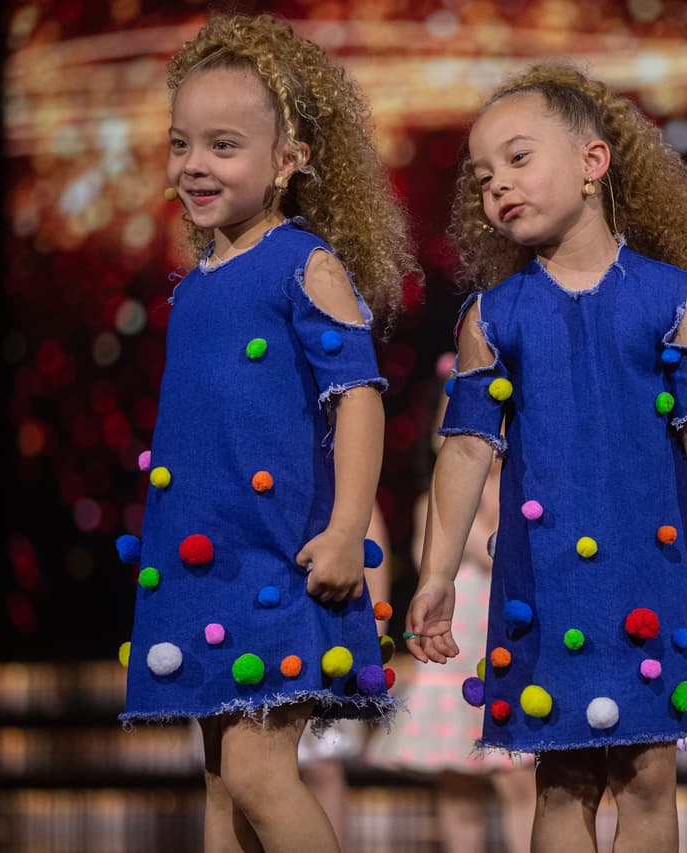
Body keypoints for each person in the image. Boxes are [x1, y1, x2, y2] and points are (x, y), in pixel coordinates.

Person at [404, 62, 687, 853]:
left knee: (647, 774)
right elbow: (465, 450)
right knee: (564, 778)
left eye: (518, 158)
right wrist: (434, 574)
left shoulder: (675, 297)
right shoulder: (492, 318)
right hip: (548, 579)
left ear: (593, 163)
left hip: (653, 570)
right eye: (482, 174)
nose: (497, 183)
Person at [118, 14, 418, 852]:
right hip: (201, 567)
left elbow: (359, 396)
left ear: (288, 161)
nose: (194, 166)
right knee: (222, 790)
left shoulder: (303, 262)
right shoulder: (195, 286)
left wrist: (348, 526)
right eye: (182, 144)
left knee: (256, 775)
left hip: (277, 563)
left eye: (223, 145)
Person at [366, 353, 536, 853]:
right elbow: (458, 552)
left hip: (503, 648)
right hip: (453, 651)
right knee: (456, 783)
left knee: (515, 778)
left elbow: (507, 551)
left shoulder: (518, 488)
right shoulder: (431, 500)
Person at [297, 501, 394, 846]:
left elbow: (372, 548)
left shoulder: (337, 473)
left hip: (326, 642)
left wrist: (371, 638)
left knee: (322, 765)